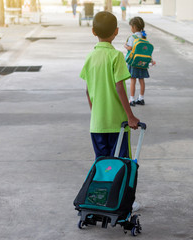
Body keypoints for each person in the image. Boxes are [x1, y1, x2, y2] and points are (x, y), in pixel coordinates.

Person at [80, 11, 141, 211]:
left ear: (93, 31)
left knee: (102, 166)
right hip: (118, 124)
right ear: (116, 32)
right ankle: (123, 203)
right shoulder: (116, 56)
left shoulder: (90, 57)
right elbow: (119, 87)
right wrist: (130, 116)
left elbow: (88, 90)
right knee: (122, 165)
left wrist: (94, 111)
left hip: (97, 124)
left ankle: (101, 201)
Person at [124, 16, 155, 107]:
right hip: (142, 62)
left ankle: (132, 99)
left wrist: (125, 46)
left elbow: (130, 48)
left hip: (133, 62)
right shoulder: (144, 36)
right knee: (141, 80)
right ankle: (141, 98)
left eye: (131, 27)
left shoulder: (132, 37)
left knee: (133, 80)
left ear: (133, 27)